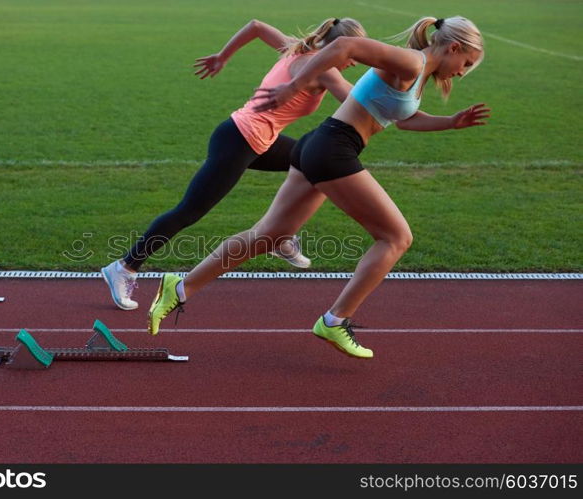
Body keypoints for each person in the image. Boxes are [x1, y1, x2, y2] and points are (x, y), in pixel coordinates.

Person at [147, 16, 490, 359]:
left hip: (321, 144)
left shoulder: (416, 73)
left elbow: (404, 120)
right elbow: (344, 46)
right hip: (334, 149)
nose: (462, 72)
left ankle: (181, 286)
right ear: (453, 47)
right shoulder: (412, 61)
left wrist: (451, 122)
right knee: (396, 237)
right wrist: (294, 86)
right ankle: (335, 320)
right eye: (466, 63)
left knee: (268, 234)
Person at [101, 17, 367, 310]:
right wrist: (398, 83)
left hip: (255, 139)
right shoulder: (323, 70)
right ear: (340, 47)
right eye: (353, 55)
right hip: (239, 141)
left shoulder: (297, 49)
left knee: (311, 163)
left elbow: (256, 26)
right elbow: (360, 102)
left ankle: (280, 234)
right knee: (189, 211)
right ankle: (124, 267)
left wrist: (222, 57)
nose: (354, 62)